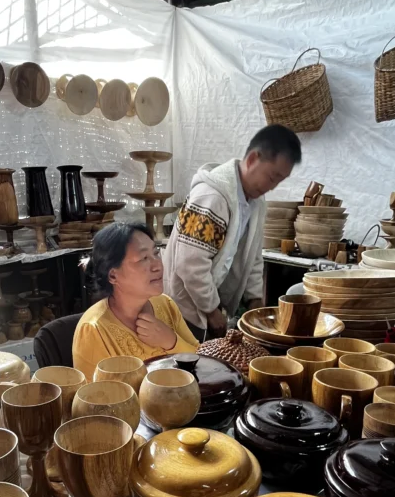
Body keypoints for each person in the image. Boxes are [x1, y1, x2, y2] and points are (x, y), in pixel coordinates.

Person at [163, 124, 302, 340]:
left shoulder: (255, 202)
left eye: (279, 180)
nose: (272, 186)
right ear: (253, 159)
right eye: (272, 177)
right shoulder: (212, 198)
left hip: (207, 304)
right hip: (183, 310)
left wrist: (255, 300)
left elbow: (253, 258)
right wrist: (211, 310)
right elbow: (190, 264)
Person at [72, 222, 199, 381]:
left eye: (156, 253)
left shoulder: (165, 304)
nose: (157, 265)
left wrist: (171, 341)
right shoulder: (93, 330)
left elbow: (201, 360)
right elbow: (98, 401)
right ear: (113, 276)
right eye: (144, 258)